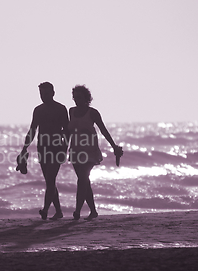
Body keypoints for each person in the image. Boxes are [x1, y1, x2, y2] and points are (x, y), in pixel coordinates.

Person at [68, 85, 123, 220]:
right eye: (74, 98)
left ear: (87, 98)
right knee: (84, 181)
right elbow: (69, 131)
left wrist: (114, 146)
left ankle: (77, 211)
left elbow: (103, 130)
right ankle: (93, 211)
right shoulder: (71, 111)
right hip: (75, 149)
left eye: (79, 98)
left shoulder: (93, 113)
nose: (76, 100)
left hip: (89, 150)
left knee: (82, 179)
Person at [19, 82, 69, 220]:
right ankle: (58, 212)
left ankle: (45, 210)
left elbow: (67, 129)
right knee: (49, 181)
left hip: (57, 147)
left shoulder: (61, 109)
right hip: (43, 148)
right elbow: (33, 129)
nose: (44, 96)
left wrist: (66, 147)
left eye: (46, 93)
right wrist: (24, 148)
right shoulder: (38, 110)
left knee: (51, 179)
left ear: (53, 93)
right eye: (41, 94)